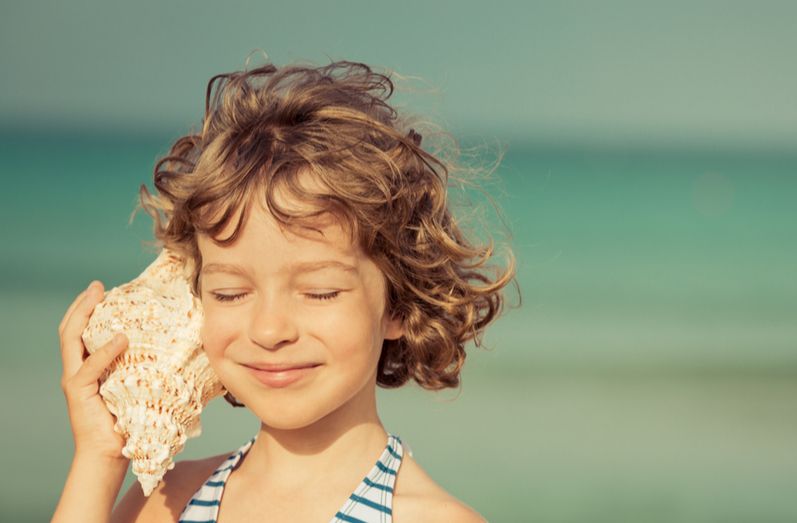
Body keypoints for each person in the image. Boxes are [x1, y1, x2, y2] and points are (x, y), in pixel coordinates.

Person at [53, 59, 519, 522]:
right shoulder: (168, 500)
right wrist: (99, 458)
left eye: (319, 292)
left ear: (397, 302)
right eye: (231, 293)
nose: (270, 329)